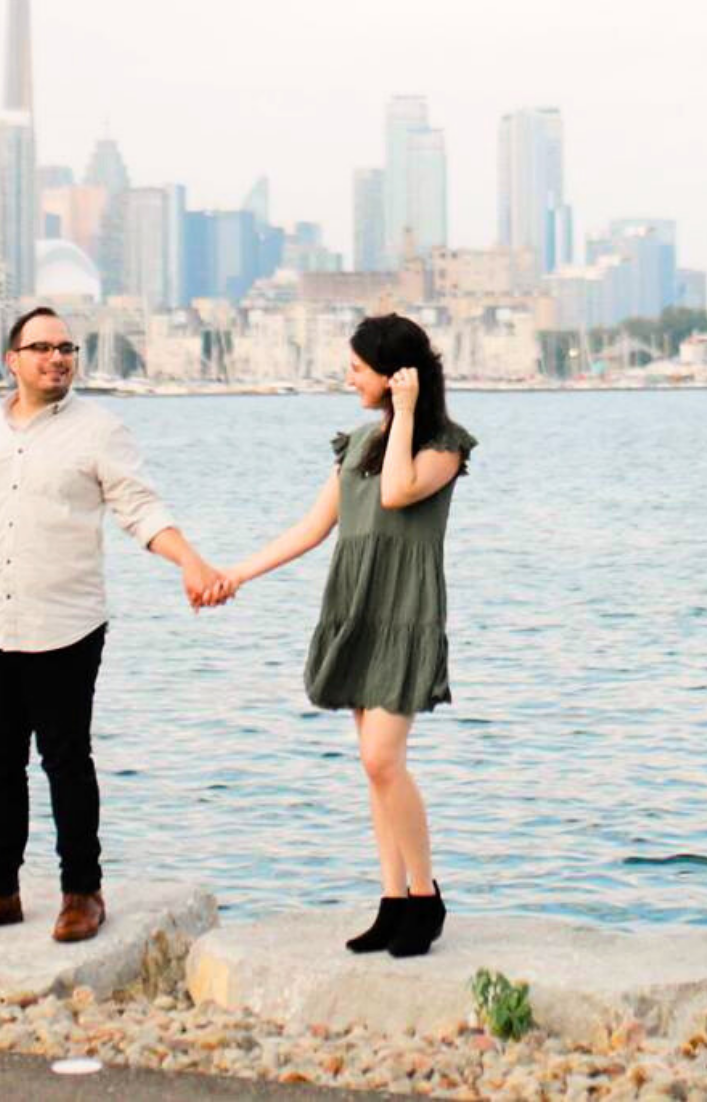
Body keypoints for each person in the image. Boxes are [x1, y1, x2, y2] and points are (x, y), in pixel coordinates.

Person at [0, 303, 228, 945]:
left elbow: (139, 510)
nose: (58, 358)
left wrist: (190, 561)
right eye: (42, 348)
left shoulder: (100, 430)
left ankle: (82, 894)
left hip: (65, 623)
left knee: (67, 759)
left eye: (67, 348)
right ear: (12, 360)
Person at [219, 313, 474, 960]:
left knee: (382, 760)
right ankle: (392, 901)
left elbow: (395, 492)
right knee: (374, 772)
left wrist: (408, 412)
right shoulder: (358, 442)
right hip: (354, 609)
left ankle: (425, 897)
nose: (347, 377)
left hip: (404, 613)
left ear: (394, 376)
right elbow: (309, 530)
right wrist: (236, 574)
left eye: (358, 368)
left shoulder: (441, 444)